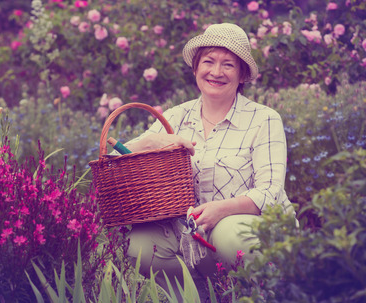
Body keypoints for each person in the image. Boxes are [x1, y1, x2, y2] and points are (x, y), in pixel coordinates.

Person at [121, 23, 296, 299]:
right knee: (140, 245)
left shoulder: (264, 119)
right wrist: (152, 142)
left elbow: (270, 192)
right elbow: (117, 159)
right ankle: (196, 295)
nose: (216, 72)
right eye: (208, 61)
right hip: (193, 236)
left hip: (249, 234)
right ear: (195, 68)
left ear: (241, 76)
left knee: (227, 233)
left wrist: (222, 209)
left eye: (228, 64)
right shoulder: (176, 117)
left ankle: (264, 294)